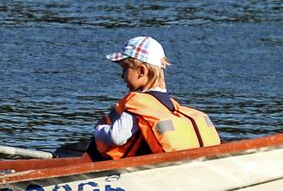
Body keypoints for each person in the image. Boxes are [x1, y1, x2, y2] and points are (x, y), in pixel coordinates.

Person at [90, 36, 219, 160]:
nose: (122, 75)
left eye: (125, 69)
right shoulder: (169, 105)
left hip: (139, 170)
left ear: (141, 71)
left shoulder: (137, 104)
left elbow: (116, 136)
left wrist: (99, 129)